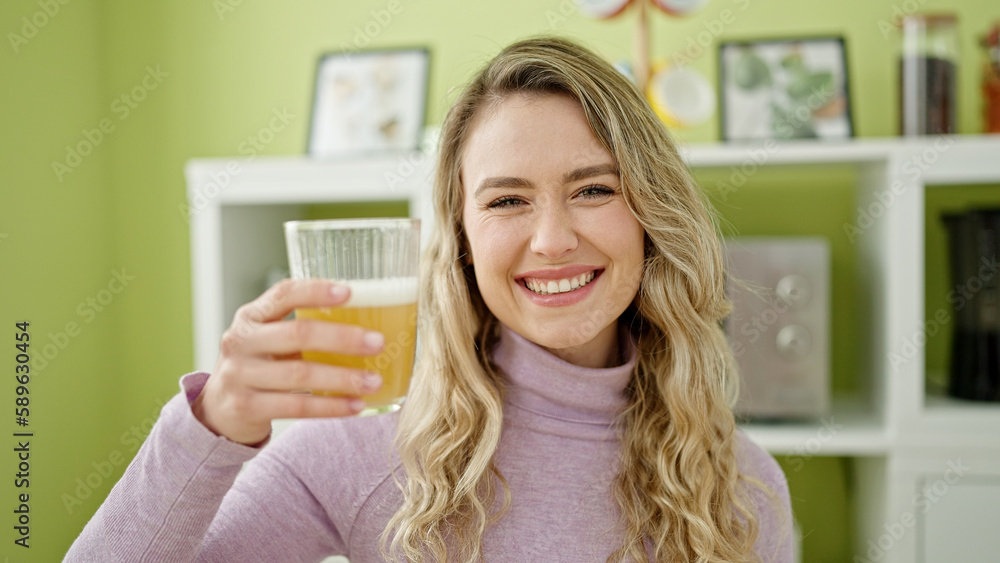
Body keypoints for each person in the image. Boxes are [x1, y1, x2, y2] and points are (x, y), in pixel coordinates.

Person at [67, 36, 792, 562]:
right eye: (507, 199)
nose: (551, 239)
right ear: (463, 240)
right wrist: (212, 423)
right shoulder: (358, 456)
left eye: (593, 189)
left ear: (650, 213)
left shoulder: (742, 479)